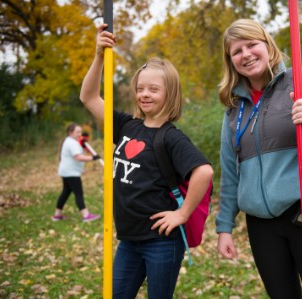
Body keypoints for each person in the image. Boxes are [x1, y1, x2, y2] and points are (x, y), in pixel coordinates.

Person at [215, 19, 302, 299]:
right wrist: (224, 227)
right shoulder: (234, 110)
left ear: (267, 45)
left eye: (252, 44)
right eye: (237, 51)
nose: (246, 54)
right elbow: (231, 174)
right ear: (230, 61)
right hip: (261, 225)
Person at [80, 24, 213, 298]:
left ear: (170, 93)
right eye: (141, 88)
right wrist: (98, 56)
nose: (145, 94)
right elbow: (89, 97)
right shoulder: (126, 126)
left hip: (161, 242)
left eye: (154, 89)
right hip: (128, 240)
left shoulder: (171, 138)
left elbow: (204, 171)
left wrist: (182, 214)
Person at [52, 123, 101, 222]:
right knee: (79, 193)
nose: (80, 134)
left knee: (66, 192)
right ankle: (85, 215)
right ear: (70, 132)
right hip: (71, 173)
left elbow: (77, 154)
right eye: (77, 132)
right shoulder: (71, 142)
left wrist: (83, 147)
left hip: (67, 171)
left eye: (80, 132)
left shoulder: (71, 141)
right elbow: (78, 157)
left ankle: (57, 215)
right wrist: (93, 158)